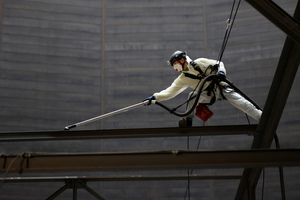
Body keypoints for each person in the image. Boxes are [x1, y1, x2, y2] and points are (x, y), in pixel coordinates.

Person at [146, 50, 262, 127]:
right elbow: (169, 92)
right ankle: (188, 121)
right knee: (192, 96)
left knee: (241, 103)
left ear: (182, 60)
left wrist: (221, 72)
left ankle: (260, 117)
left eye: (176, 62)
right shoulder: (182, 79)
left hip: (220, 87)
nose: (175, 65)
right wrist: (155, 97)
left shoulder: (200, 62)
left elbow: (219, 63)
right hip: (209, 94)